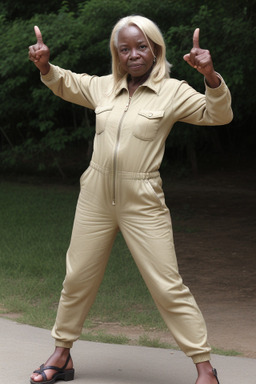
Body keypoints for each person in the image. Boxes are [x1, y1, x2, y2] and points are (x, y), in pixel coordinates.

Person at [28, 15, 232, 384]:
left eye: (141, 47)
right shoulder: (104, 87)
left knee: (167, 284)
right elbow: (66, 83)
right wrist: (45, 65)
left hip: (143, 199)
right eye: (125, 49)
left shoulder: (174, 91)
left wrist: (211, 77)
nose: (133, 54)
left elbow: (218, 114)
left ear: (155, 49)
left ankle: (205, 368)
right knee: (77, 278)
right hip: (95, 195)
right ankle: (62, 356)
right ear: (117, 54)